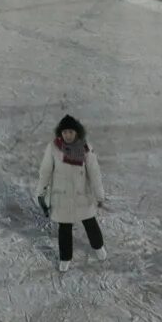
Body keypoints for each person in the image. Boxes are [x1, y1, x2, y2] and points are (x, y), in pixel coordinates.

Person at [36, 115, 107, 272]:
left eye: (71, 132)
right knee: (64, 229)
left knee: (90, 224)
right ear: (60, 133)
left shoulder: (85, 148)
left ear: (77, 133)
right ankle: (65, 258)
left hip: (82, 195)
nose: (68, 135)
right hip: (62, 196)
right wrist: (41, 191)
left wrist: (99, 195)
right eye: (65, 132)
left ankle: (98, 247)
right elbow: (45, 171)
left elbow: (94, 173)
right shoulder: (53, 148)